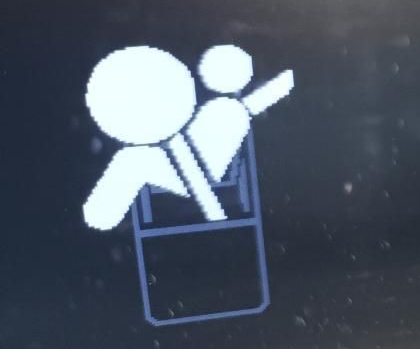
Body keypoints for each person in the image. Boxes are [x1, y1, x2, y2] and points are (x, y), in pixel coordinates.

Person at [81, 44, 293, 232]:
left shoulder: (225, 110)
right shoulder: (226, 107)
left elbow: (198, 155)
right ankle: (100, 218)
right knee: (134, 158)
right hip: (192, 171)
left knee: (133, 160)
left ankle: (99, 218)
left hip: (198, 177)